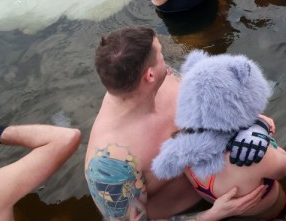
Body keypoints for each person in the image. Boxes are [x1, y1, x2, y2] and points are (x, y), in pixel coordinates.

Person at [86, 27, 269, 220]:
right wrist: (212, 215)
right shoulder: (110, 162)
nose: (165, 59)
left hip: (224, 188)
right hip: (193, 213)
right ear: (149, 75)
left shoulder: (168, 80)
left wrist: (252, 121)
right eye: (160, 54)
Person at [152, 51, 286, 219]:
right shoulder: (252, 155)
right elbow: (285, 166)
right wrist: (261, 129)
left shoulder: (179, 143)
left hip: (228, 212)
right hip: (272, 211)